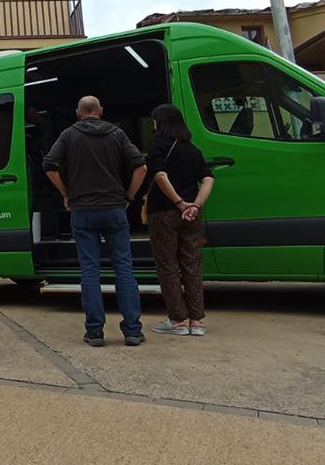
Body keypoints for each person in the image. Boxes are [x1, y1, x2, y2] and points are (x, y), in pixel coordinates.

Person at [43, 95, 148, 347]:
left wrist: (66, 193)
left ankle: (94, 332)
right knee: (123, 268)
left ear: (79, 113)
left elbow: (49, 165)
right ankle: (132, 331)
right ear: (100, 111)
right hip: (114, 208)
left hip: (82, 210)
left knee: (90, 270)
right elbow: (141, 167)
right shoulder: (117, 134)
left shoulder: (68, 135)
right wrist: (129, 195)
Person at [144, 103, 215, 337]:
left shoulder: (156, 145)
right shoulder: (191, 149)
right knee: (192, 265)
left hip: (164, 212)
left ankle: (178, 321)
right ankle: (196, 321)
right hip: (192, 216)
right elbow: (207, 179)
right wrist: (195, 204)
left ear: (160, 122)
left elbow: (160, 175)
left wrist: (179, 202)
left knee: (168, 266)